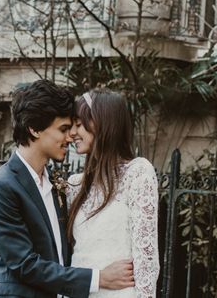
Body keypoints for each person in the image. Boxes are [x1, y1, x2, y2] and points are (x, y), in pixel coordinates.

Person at [0, 80, 136, 297]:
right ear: (34, 129)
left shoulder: (59, 184)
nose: (70, 136)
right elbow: (25, 264)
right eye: (63, 129)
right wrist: (99, 278)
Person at [67, 90, 159, 298]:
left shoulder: (138, 173)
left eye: (79, 124)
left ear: (100, 124)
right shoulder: (74, 185)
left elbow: (146, 260)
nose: (72, 133)